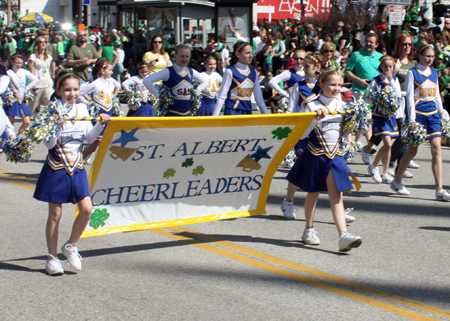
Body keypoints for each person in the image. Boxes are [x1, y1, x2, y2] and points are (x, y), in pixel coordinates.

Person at [33, 70, 110, 276]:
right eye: (67, 89)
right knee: (55, 214)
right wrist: (56, 123)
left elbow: (89, 137)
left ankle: (71, 245)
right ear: (58, 91)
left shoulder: (83, 108)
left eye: (76, 89)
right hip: (56, 167)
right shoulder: (51, 112)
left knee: (87, 210)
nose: (72, 93)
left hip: (76, 167)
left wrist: (100, 124)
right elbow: (49, 144)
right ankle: (51, 258)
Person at [281, 68, 362, 252]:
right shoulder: (311, 104)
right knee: (313, 192)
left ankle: (343, 235)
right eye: (332, 84)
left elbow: (346, 130)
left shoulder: (342, 104)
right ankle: (308, 229)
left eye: (339, 85)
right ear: (322, 85)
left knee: (337, 196)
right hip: (316, 154)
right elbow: (301, 133)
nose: (336, 88)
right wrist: (314, 120)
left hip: (335, 156)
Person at [391, 44, 450, 200]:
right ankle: (397, 180)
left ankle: (439, 189)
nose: (430, 59)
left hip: (433, 115)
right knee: (412, 151)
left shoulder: (434, 72)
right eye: (427, 56)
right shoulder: (412, 73)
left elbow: (436, 94)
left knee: (437, 148)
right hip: (418, 115)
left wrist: (442, 111)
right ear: (420, 55)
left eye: (432, 56)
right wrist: (411, 119)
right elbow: (410, 97)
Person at [143, 44, 210, 117]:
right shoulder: (168, 71)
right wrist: (159, 96)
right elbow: (147, 80)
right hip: (171, 114)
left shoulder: (191, 71)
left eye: (187, 56)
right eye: (182, 56)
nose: (185, 59)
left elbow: (205, 80)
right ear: (175, 56)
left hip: (187, 114)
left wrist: (196, 92)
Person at [345, 32, 383, 151]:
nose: (368, 44)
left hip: (374, 93)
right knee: (363, 116)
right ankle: (363, 143)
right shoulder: (357, 55)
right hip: (359, 91)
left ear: (376, 44)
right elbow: (347, 71)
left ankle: (359, 142)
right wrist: (359, 80)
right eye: (367, 41)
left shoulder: (380, 57)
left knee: (368, 118)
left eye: (371, 42)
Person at [366, 56, 401, 184]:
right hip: (379, 116)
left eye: (390, 66)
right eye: (385, 66)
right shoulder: (376, 80)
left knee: (388, 146)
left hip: (390, 116)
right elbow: (369, 96)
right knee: (388, 144)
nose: (388, 69)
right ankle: (374, 165)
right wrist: (372, 105)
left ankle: (385, 172)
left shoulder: (395, 80)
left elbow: (398, 95)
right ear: (381, 67)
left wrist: (391, 80)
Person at [80, 58, 120, 161]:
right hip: (100, 116)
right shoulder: (95, 83)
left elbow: (115, 91)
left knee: (101, 144)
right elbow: (79, 92)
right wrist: (87, 102)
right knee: (95, 146)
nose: (112, 72)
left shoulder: (110, 83)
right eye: (110, 70)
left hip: (109, 113)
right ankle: (77, 162)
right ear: (102, 71)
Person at [212, 42, 268, 116]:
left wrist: (267, 116)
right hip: (232, 112)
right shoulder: (230, 71)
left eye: (252, 53)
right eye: (247, 53)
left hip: (247, 112)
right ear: (238, 54)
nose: (251, 56)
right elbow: (222, 96)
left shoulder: (253, 72)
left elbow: (259, 98)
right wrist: (215, 117)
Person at [4, 54, 39, 135]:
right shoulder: (9, 72)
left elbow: (35, 79)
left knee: (27, 122)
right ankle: (8, 140)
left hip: (21, 99)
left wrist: (26, 88)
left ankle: (18, 139)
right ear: (11, 62)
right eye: (16, 62)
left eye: (20, 63)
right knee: (10, 124)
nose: (19, 65)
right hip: (12, 100)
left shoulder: (23, 71)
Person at [27, 36, 55, 114]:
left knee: (51, 103)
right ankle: (26, 122)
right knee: (32, 107)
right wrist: (34, 85)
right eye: (41, 42)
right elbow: (31, 70)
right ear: (37, 44)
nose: (44, 43)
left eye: (45, 42)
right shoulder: (33, 57)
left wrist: (52, 79)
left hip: (47, 83)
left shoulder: (48, 57)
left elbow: (48, 69)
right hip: (38, 83)